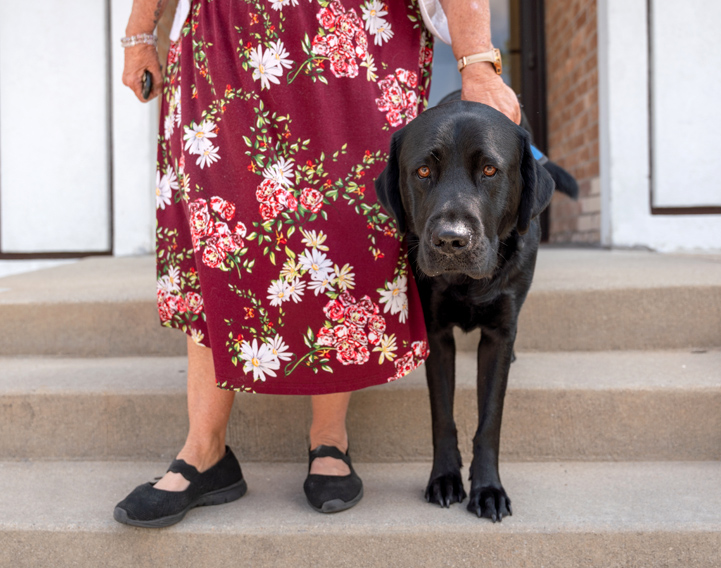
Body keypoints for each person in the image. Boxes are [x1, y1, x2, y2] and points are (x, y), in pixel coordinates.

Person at [114, 0, 520, 527]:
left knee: (345, 230)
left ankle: (330, 439)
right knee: (221, 229)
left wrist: (477, 62)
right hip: (229, 35)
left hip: (357, 37)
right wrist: (140, 31)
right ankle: (204, 451)